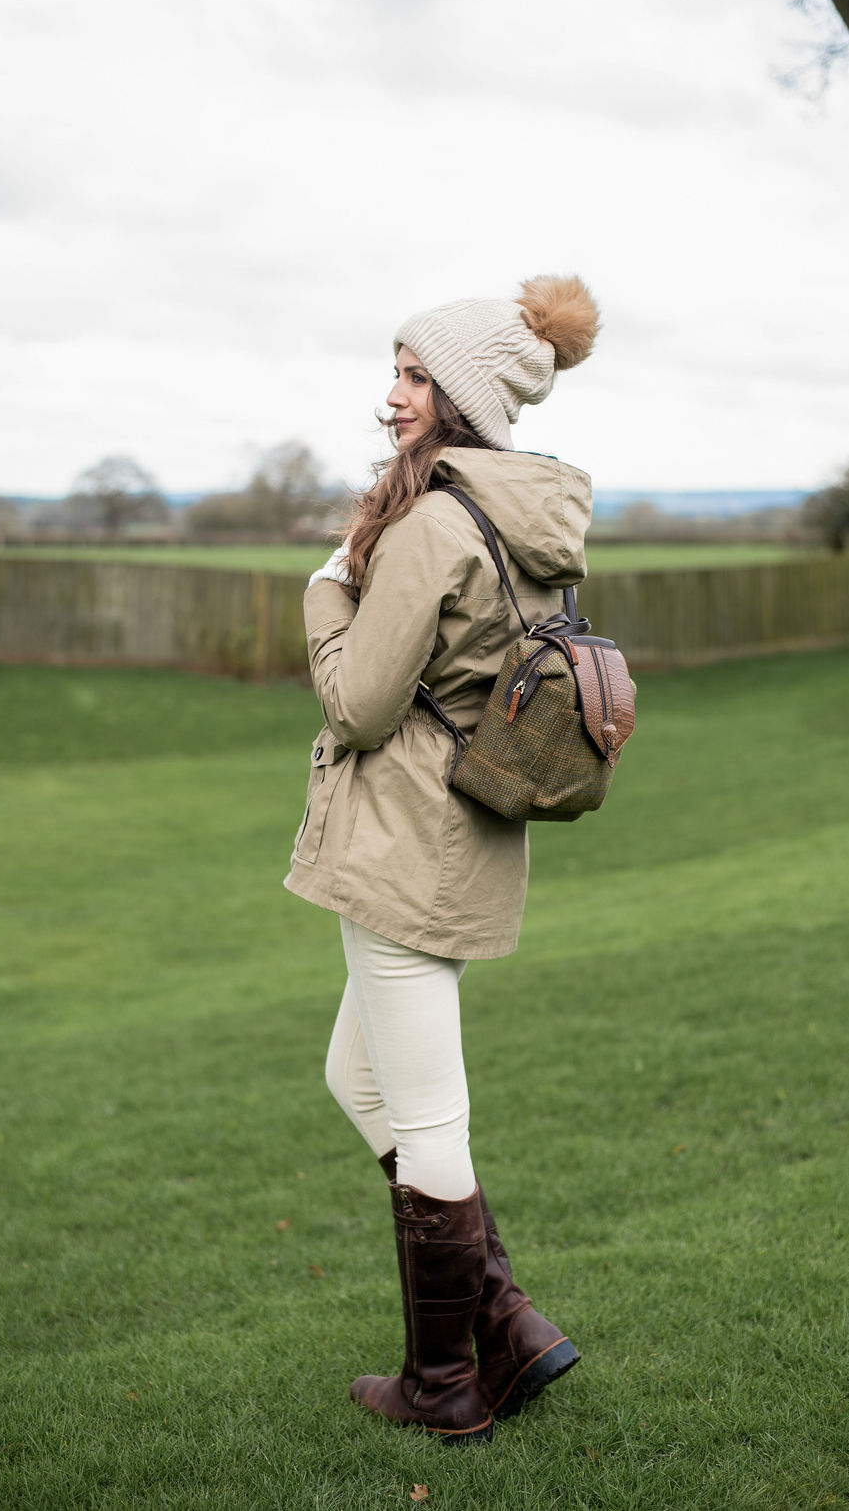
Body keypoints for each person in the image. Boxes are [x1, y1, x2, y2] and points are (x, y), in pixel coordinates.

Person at [284, 274, 601, 1445]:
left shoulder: (429, 525)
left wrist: (325, 592)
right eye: (397, 370)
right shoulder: (534, 517)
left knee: (424, 1111)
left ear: (463, 392)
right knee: (355, 1077)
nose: (393, 395)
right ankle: (504, 1319)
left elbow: (361, 704)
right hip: (467, 834)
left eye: (416, 375)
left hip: (404, 841)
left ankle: (445, 1385)